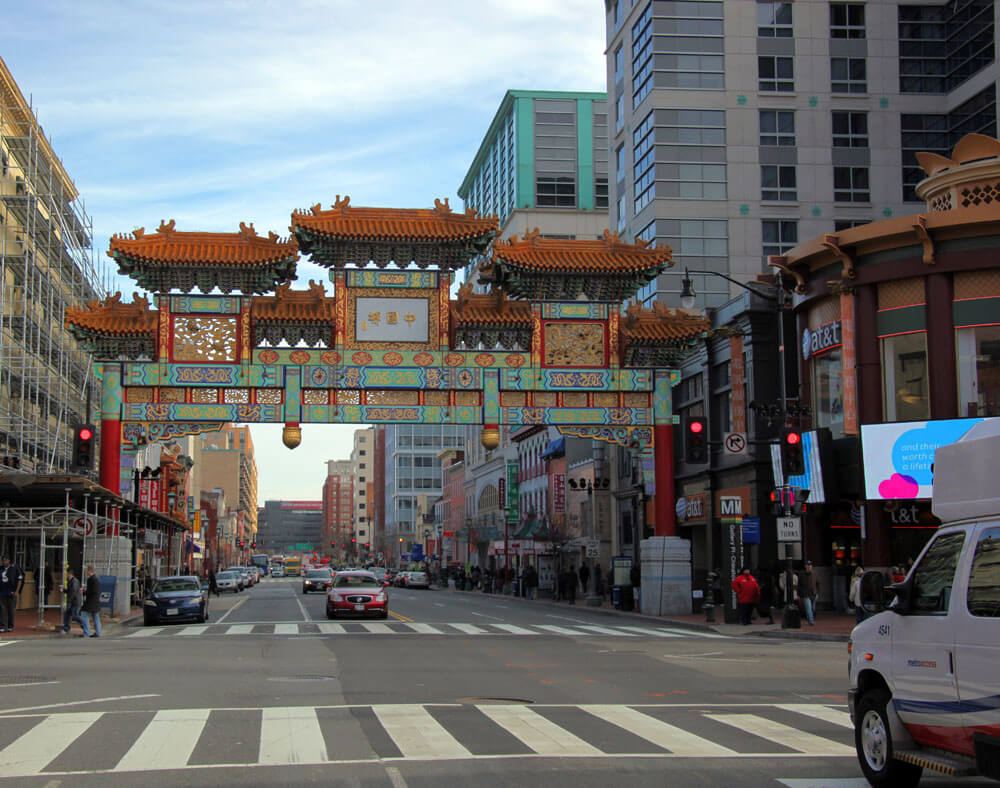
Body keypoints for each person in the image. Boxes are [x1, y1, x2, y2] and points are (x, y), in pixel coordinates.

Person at [0, 556, 24, 633]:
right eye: (3, 561)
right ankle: (3, 626)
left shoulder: (14, 568)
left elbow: (19, 579)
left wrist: (17, 591)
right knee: (2, 610)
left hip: (11, 592)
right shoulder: (1, 569)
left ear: (9, 561)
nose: (4, 562)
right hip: (2, 592)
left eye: (6, 560)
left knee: (11, 610)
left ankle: (10, 625)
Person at [61, 568, 86, 634]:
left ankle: (85, 625)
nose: (65, 575)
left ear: (70, 574)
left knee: (75, 615)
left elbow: (72, 593)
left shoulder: (74, 581)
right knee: (67, 614)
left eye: (66, 573)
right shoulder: (71, 581)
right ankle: (66, 628)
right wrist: (64, 590)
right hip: (73, 601)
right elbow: (70, 591)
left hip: (75, 602)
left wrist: (69, 603)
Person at [80, 565, 102, 638]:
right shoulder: (97, 579)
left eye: (87, 570)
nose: (86, 572)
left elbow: (90, 591)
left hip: (90, 601)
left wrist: (83, 592)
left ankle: (86, 632)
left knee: (84, 614)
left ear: (90, 571)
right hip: (96, 601)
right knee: (95, 616)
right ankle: (98, 632)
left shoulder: (90, 579)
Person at [798, 560, 820, 626]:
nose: (809, 567)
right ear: (805, 566)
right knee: (808, 607)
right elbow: (799, 585)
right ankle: (811, 621)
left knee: (812, 608)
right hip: (805, 594)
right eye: (807, 565)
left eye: (810, 565)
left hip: (813, 593)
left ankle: (809, 617)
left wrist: (817, 592)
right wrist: (799, 593)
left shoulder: (815, 574)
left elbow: (818, 583)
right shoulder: (801, 574)